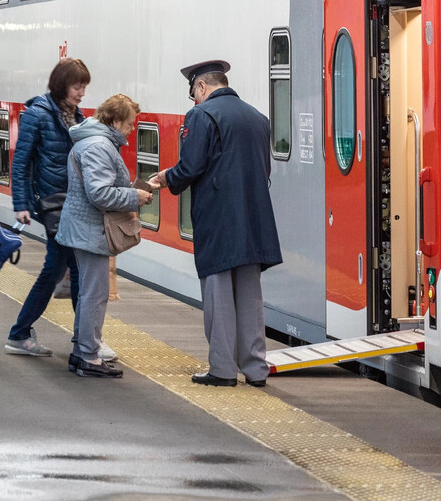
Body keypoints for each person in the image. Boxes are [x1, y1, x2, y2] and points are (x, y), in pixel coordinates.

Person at [149, 60, 283, 388]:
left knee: (218, 293)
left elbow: (191, 165)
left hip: (220, 221)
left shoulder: (202, 115)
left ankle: (222, 368)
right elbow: (265, 170)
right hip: (255, 219)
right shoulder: (258, 117)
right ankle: (255, 369)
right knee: (251, 297)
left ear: (201, 87)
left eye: (193, 93)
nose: (194, 101)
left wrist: (166, 178)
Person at [55, 94, 152, 378]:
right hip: (91, 229)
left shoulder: (95, 142)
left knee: (88, 293)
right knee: (95, 295)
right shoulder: (99, 146)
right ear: (116, 120)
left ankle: (81, 351)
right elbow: (99, 193)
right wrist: (135, 196)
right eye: (130, 124)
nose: (132, 130)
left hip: (86, 227)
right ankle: (88, 357)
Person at [4, 57, 90, 358]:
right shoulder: (38, 114)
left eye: (83, 88)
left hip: (72, 203)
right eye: (77, 87)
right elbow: (21, 162)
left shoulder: (76, 117)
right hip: (53, 203)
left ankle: (24, 333)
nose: (81, 93)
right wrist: (22, 204)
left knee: (59, 269)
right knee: (71, 268)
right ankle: (84, 342)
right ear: (62, 85)